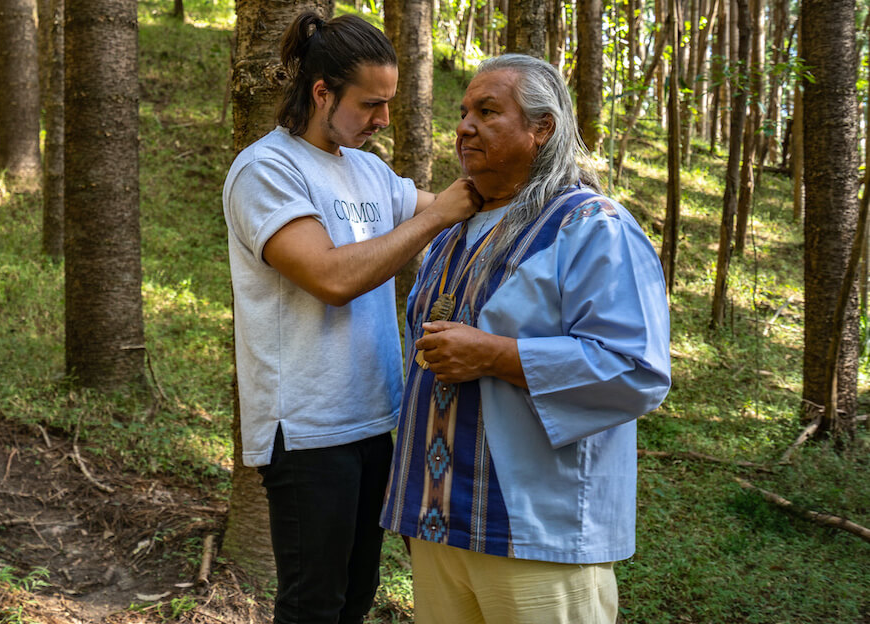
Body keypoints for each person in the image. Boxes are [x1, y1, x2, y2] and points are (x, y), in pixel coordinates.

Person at [380, 54, 672, 624]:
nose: (464, 125)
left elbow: (636, 369)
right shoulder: (451, 230)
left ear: (543, 128)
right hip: (440, 524)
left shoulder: (592, 227)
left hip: (539, 536)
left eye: (488, 111)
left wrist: (493, 354)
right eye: (464, 111)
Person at [221, 11, 481, 624]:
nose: (384, 119)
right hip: (307, 429)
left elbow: (452, 211)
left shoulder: (366, 169)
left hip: (374, 420)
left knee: (356, 598)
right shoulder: (267, 171)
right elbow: (331, 277)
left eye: (389, 103)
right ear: (322, 93)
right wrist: (435, 216)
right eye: (371, 104)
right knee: (314, 605)